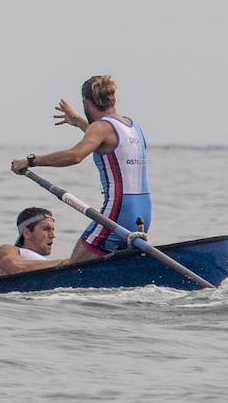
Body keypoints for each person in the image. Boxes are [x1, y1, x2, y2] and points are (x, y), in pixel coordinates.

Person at [11, 74, 150, 263]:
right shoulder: (132, 127)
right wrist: (78, 121)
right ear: (113, 99)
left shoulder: (100, 128)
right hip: (143, 212)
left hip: (117, 212)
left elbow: (74, 156)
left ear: (85, 102)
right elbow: (107, 142)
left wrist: (31, 161)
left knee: (75, 268)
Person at [0, 207, 63, 274]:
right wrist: (63, 263)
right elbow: (16, 267)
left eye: (53, 230)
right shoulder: (9, 249)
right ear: (27, 233)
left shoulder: (51, 263)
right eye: (46, 229)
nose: (53, 235)